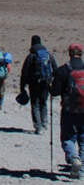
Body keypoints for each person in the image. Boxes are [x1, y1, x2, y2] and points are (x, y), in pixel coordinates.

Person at [50, 43, 84, 179]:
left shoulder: (63, 70)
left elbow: (55, 92)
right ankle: (81, 171)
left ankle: (73, 158)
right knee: (83, 139)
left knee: (68, 137)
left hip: (69, 110)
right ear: (81, 53)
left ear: (69, 53)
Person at [20, 35, 58, 134]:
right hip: (46, 82)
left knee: (35, 104)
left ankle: (38, 127)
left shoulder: (31, 56)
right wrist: (52, 81)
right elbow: (55, 69)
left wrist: (22, 86)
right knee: (43, 102)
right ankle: (45, 123)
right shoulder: (48, 55)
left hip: (34, 84)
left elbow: (25, 72)